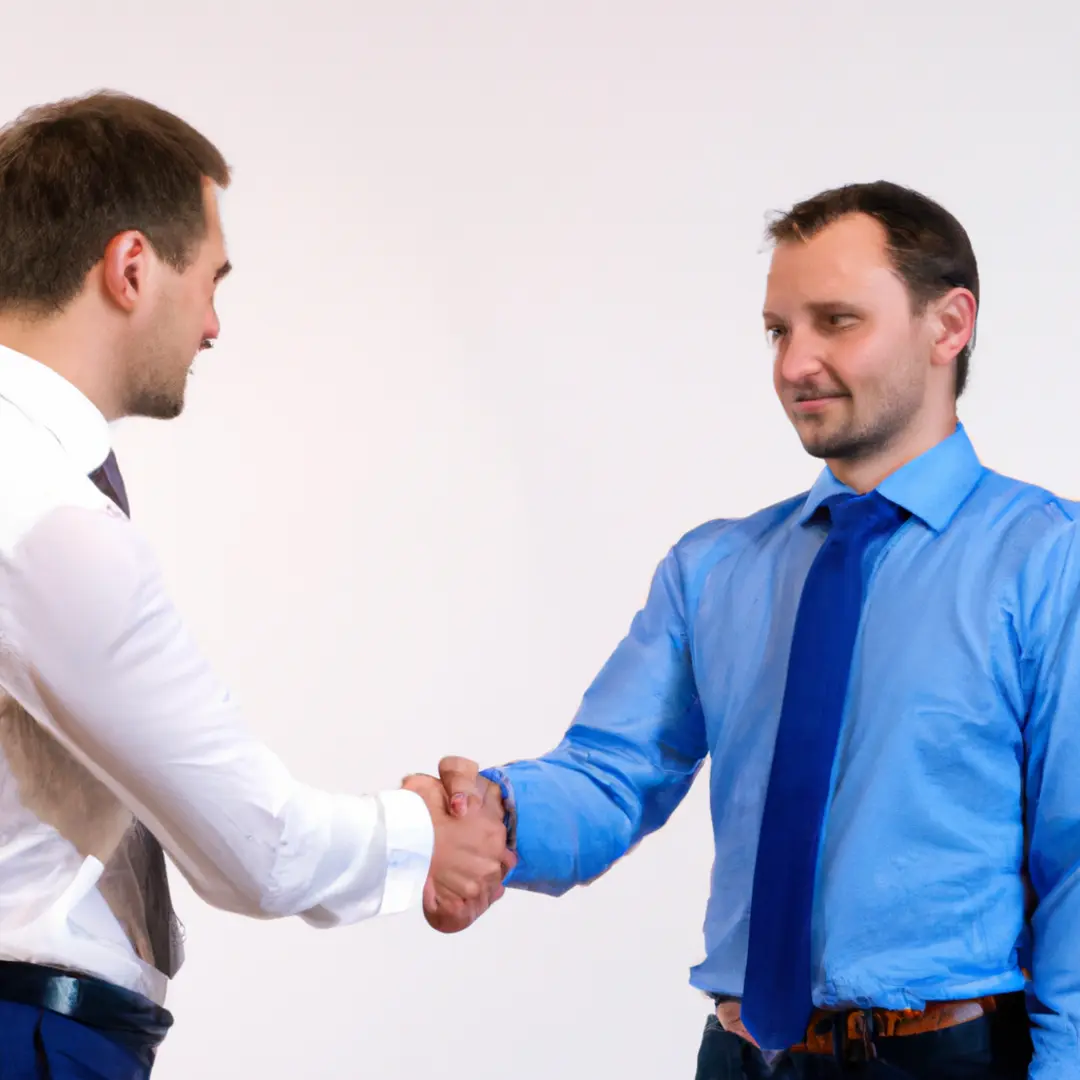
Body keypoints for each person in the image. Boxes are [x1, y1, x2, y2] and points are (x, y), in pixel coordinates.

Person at [421, 181, 1080, 1078]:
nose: (794, 363)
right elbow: (613, 773)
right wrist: (492, 818)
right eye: (779, 330)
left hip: (947, 1057)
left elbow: (1076, 855)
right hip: (740, 1058)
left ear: (949, 325)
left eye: (836, 321)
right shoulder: (715, 569)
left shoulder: (1049, 562)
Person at [0, 90, 509, 1079]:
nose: (217, 325)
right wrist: (426, 840)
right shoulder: (43, 515)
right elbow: (254, 848)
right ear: (133, 267)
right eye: (212, 280)